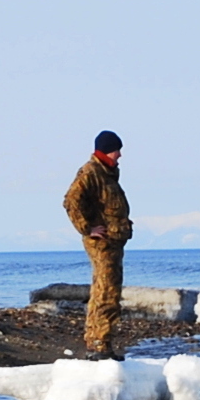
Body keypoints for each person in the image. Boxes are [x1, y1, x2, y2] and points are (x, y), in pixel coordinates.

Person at [62, 130, 132, 358]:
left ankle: (95, 341)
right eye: (116, 150)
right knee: (107, 293)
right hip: (102, 243)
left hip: (113, 242)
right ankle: (100, 344)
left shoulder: (107, 174)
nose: (119, 155)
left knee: (102, 290)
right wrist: (87, 228)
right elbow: (71, 200)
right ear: (105, 151)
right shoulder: (91, 172)